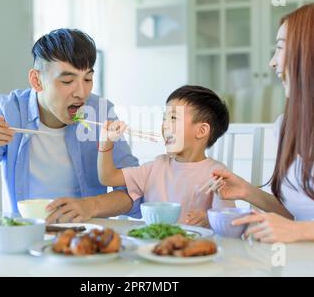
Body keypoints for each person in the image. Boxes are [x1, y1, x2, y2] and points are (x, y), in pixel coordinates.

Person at [0, 28, 141, 222]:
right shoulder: (8, 112)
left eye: (88, 79)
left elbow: (134, 192)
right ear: (36, 80)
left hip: (85, 240)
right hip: (25, 236)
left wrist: (90, 206)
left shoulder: (99, 112)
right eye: (67, 81)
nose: (82, 93)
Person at [212, 3, 314, 243]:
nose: (272, 62)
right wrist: (247, 192)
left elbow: (299, 227)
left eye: (280, 48)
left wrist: (299, 231)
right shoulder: (286, 127)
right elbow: (295, 216)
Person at [97, 85, 235, 226]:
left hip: (195, 245)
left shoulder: (217, 174)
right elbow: (108, 177)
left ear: (201, 130)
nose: (165, 125)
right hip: (153, 244)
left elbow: (227, 222)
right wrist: (105, 143)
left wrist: (208, 220)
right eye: (164, 118)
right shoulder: (156, 167)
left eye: (173, 118)